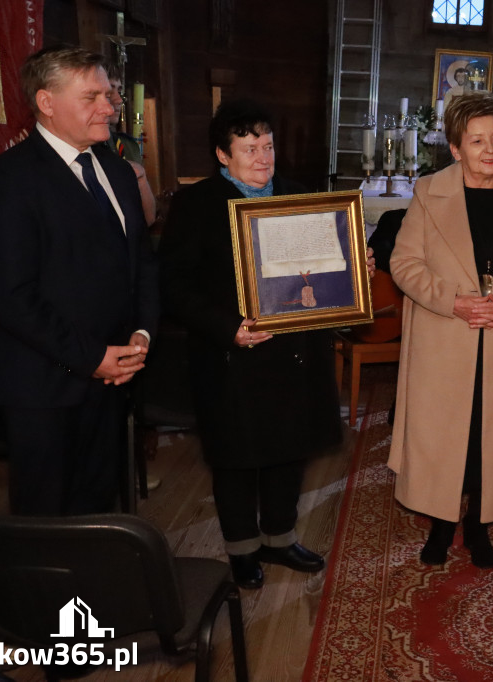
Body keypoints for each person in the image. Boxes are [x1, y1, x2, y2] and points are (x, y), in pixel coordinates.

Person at [160, 98, 373, 589]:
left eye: (269, 145)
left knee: (289, 449)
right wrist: (228, 325)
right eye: (250, 147)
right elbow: (173, 287)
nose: (263, 157)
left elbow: (326, 273)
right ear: (222, 154)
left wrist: (355, 274)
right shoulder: (196, 205)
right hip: (233, 352)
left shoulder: (301, 197)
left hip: (295, 352)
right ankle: (241, 548)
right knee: (237, 455)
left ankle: (280, 538)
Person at [0, 46, 158, 515]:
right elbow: (11, 298)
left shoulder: (116, 170)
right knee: (48, 522)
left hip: (114, 377)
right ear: (46, 103)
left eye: (109, 95)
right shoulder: (5, 180)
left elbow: (143, 263)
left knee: (98, 511)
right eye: (92, 96)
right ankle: (55, 595)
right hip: (44, 387)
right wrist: (92, 357)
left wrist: (142, 332)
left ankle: (88, 593)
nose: (109, 107)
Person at [388, 92, 493, 569]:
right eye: (477, 141)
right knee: (442, 435)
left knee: (489, 435)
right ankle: (440, 524)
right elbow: (403, 263)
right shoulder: (428, 192)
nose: (490, 150)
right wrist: (450, 300)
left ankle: (479, 525)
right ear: (456, 148)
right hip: (444, 337)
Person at [102, 68, 156, 224]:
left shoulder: (127, 146)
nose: (119, 100)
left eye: (119, 90)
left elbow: (148, 218)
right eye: (110, 90)